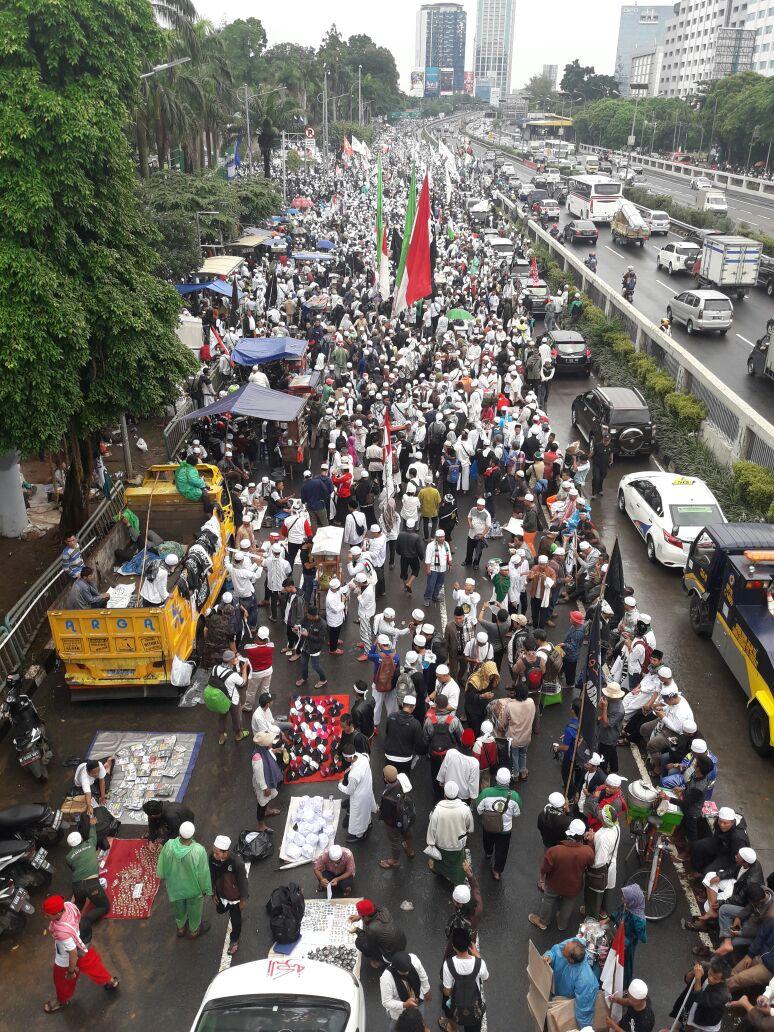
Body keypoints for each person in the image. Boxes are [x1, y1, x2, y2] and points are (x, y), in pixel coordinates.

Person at [42, 895, 119, 1013]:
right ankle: (111, 982)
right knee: (95, 966)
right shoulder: (68, 905)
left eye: (48, 915)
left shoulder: (62, 932)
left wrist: (71, 971)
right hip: (83, 946)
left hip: (68, 955)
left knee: (61, 980)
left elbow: (72, 953)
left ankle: (61, 1001)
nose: (45, 916)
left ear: (58, 913)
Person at [529, 818, 594, 932]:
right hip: (574, 885)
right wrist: (590, 842)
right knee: (569, 902)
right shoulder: (588, 851)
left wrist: (542, 878)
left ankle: (543, 922)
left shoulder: (555, 851)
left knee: (548, 900)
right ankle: (562, 924)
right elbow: (591, 862)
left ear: (569, 831)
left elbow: (544, 868)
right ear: (582, 835)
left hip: (554, 883)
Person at [155, 821, 212, 940]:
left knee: (178, 908)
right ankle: (194, 931)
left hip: (175, 887)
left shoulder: (169, 845)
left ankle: (180, 928)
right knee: (194, 909)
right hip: (193, 889)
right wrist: (205, 889)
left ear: (179, 833)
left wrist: (165, 878)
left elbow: (162, 866)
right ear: (193, 834)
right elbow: (203, 873)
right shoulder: (198, 850)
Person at [541, 937, 599, 1032]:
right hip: (558, 990)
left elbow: (584, 1010)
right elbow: (556, 949)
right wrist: (549, 956)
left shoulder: (586, 981)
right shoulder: (572, 944)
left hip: (566, 1002)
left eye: (564, 951)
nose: (562, 948)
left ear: (571, 960)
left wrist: (584, 1029)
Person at [475, 767, 522, 881]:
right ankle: (497, 871)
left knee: (487, 841)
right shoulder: (514, 796)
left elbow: (479, 810)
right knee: (502, 850)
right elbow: (517, 814)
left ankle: (488, 852)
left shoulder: (486, 793)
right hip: (505, 830)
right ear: (509, 781)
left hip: (489, 825)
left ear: (496, 779)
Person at [65, 820, 110, 938]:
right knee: (104, 907)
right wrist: (92, 824)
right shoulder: (90, 844)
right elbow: (92, 834)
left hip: (77, 886)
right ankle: (85, 922)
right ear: (81, 839)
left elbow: (73, 868)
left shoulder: (69, 856)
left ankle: (67, 920)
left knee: (80, 903)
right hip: (92, 885)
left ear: (70, 845)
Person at [426, 781, 474, 887]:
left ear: (444, 794)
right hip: (457, 844)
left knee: (441, 861)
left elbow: (432, 829)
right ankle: (457, 880)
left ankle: (442, 873)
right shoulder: (465, 808)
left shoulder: (437, 810)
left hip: (441, 844)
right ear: (457, 794)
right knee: (457, 864)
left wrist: (431, 843)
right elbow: (470, 827)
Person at [440, 927, 489, 1032]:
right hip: (474, 1005)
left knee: (445, 1002)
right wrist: (478, 956)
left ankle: (452, 1027)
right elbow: (486, 978)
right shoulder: (479, 963)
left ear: (453, 946)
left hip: (457, 1004)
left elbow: (447, 992)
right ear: (469, 945)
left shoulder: (448, 964)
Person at [209, 835, 248, 956]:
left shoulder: (237, 863)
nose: (214, 855)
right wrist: (213, 892)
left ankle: (234, 940)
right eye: (214, 852)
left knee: (236, 920)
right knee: (220, 909)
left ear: (225, 852)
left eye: (217, 853)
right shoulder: (212, 858)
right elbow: (212, 876)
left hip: (235, 898)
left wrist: (243, 900)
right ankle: (229, 909)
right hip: (222, 894)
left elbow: (243, 882)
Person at [491, 681, 535, 783]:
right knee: (523, 754)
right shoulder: (531, 702)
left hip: (514, 738)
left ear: (516, 693)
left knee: (514, 756)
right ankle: (523, 772)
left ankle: (515, 775)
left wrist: (500, 728)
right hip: (527, 736)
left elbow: (503, 723)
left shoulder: (510, 706)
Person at [669, 960, 732, 1030]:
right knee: (678, 1026)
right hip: (689, 1011)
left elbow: (699, 998)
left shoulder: (723, 995)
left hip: (704, 1021)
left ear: (722, 980)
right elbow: (687, 980)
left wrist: (698, 978)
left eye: (715, 978)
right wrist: (693, 972)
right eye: (710, 973)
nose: (710, 979)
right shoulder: (705, 967)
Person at [584, 804, 621, 920]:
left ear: (604, 820)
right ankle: (603, 911)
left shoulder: (602, 837)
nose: (599, 811)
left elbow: (599, 861)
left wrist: (591, 841)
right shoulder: (616, 826)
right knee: (607, 892)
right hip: (611, 865)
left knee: (594, 897)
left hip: (602, 870)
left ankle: (592, 918)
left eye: (602, 812)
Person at [380, 950, 432, 1031]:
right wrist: (404, 1004)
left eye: (408, 970)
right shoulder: (386, 978)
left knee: (419, 1019)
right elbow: (386, 1002)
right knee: (395, 1027)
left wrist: (427, 990)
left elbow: (423, 976)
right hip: (399, 1013)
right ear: (395, 967)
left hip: (418, 1000)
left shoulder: (414, 959)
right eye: (403, 972)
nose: (407, 973)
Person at [350, 898, 407, 969]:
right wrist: (360, 916)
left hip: (390, 954)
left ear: (365, 917)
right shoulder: (384, 910)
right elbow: (374, 906)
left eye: (361, 915)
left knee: (359, 942)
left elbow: (370, 947)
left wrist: (357, 931)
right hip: (402, 942)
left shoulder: (372, 928)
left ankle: (382, 961)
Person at [610, 884, 648, 986]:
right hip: (618, 935)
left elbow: (642, 937)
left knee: (625, 964)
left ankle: (625, 985)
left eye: (624, 897)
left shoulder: (638, 919)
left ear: (631, 901)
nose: (621, 898)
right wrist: (608, 919)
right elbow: (617, 912)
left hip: (627, 945)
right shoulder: (627, 905)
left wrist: (627, 942)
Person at [209, 650, 250, 746]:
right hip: (232, 700)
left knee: (222, 718)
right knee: (236, 718)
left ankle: (221, 737)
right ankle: (238, 734)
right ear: (231, 660)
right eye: (234, 658)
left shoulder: (215, 668)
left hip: (220, 698)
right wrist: (244, 669)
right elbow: (243, 682)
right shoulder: (233, 675)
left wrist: (233, 665)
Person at [378, 767, 416, 869]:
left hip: (394, 823)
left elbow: (385, 813)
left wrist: (379, 813)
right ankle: (410, 850)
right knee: (407, 832)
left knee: (395, 841)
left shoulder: (387, 796)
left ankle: (394, 861)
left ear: (385, 779)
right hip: (408, 816)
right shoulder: (404, 781)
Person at [339, 745, 377, 844]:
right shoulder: (362, 757)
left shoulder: (353, 776)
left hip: (359, 797)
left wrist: (340, 785)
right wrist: (349, 768)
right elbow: (355, 764)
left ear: (348, 758)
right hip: (367, 789)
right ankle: (368, 823)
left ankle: (359, 834)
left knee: (358, 816)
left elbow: (349, 791)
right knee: (366, 811)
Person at [384, 696, 425, 776]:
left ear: (402, 704)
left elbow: (387, 732)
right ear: (413, 707)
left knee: (389, 779)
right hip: (405, 759)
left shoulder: (391, 716)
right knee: (404, 782)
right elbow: (418, 744)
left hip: (389, 756)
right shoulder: (415, 724)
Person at [251, 731, 282, 831]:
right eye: (270, 742)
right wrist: (265, 788)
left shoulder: (263, 750)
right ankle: (260, 824)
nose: (271, 743)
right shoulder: (257, 758)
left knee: (266, 801)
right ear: (264, 744)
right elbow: (259, 775)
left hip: (268, 781)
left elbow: (269, 753)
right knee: (261, 804)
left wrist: (275, 750)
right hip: (264, 784)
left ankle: (267, 811)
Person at [296, 604, 328, 689]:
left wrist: (308, 635)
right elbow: (301, 623)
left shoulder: (323, 624)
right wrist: (297, 628)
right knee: (303, 663)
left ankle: (323, 679)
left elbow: (320, 640)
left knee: (315, 666)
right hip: (305, 646)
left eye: (308, 615)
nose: (307, 616)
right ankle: (304, 677)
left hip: (315, 648)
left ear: (313, 616)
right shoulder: (307, 618)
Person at [425, 528, 453, 604]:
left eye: (443, 537)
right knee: (431, 584)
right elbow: (428, 559)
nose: (442, 539)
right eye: (440, 537)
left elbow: (448, 555)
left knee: (439, 584)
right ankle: (427, 598)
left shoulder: (446, 544)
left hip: (442, 569)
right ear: (436, 537)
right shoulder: (430, 546)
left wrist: (450, 564)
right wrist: (428, 569)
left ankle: (435, 596)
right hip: (433, 568)